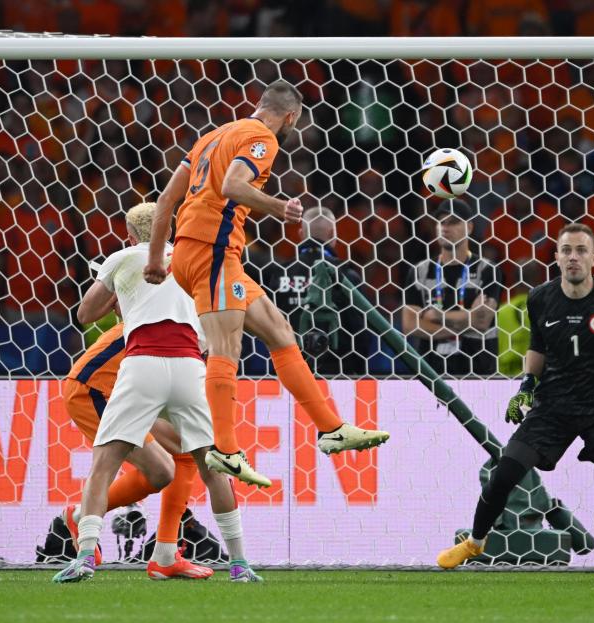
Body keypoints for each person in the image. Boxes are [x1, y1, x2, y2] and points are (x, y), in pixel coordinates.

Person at [143, 81, 389, 486]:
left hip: (200, 253)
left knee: (279, 329)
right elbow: (233, 186)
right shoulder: (261, 137)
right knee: (227, 347)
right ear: (291, 116)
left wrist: (156, 257)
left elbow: (167, 198)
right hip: (212, 252)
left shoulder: (212, 137)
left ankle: (331, 428)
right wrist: (282, 208)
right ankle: (224, 449)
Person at [53, 203, 267, 584]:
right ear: (170, 230)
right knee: (211, 465)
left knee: (104, 464)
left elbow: (84, 313)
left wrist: (118, 293)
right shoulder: (194, 260)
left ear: (131, 236)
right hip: (189, 364)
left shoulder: (123, 257)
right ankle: (239, 564)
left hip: (142, 364)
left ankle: (85, 555)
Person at [436, 223, 594, 577]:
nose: (573, 257)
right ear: (556, 257)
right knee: (505, 472)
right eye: (566, 250)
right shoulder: (540, 298)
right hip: (553, 405)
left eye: (581, 250)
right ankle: (475, 543)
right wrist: (525, 387)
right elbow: (537, 347)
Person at [61, 319, 213, 579]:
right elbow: (86, 312)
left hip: (132, 393)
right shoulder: (183, 318)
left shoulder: (190, 318)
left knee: (186, 448)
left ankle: (165, 554)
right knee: (162, 469)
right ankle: (81, 518)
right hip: (95, 391)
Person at [258, 206, 369, 376]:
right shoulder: (346, 274)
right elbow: (361, 332)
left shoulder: (279, 274)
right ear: (333, 234)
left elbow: (267, 326)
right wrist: (359, 373)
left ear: (301, 234)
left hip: (287, 373)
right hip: (338, 375)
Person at [401, 199, 502, 377]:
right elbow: (410, 325)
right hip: (432, 371)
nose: (445, 227)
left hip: (478, 369)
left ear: (469, 228)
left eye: (454, 222)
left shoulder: (487, 269)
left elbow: (482, 320)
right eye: (441, 222)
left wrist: (437, 316)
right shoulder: (419, 271)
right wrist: (465, 321)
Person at [497, 260, 543, 376]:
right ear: (539, 278)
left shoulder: (501, 311)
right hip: (539, 377)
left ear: (513, 279)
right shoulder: (548, 310)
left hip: (505, 379)